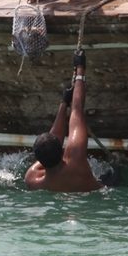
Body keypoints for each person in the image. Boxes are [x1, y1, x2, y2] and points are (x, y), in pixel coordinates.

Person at [25, 50, 103, 193]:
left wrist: (64, 103)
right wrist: (80, 68)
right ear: (62, 150)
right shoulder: (75, 159)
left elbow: (52, 143)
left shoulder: (32, 180)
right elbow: (77, 110)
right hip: (103, 191)